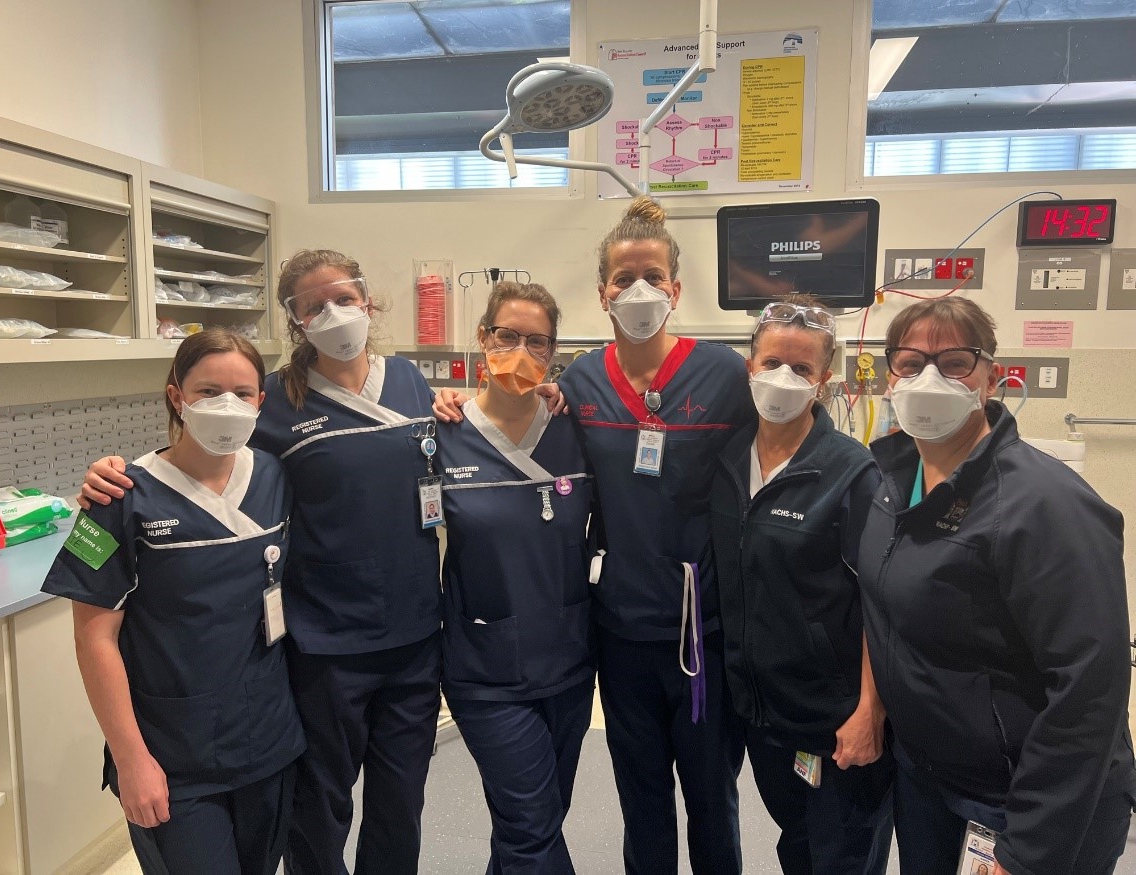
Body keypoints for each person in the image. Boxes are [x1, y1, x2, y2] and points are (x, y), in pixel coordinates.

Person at [79, 250, 443, 875]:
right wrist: (107, 477)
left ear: (368, 299)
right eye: (313, 306)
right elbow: (197, 459)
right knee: (321, 811)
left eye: (343, 298)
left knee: (400, 805)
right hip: (323, 644)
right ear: (295, 321)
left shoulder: (410, 381)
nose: (333, 314)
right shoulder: (271, 402)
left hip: (414, 637)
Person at [440, 196, 753, 873]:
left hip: (704, 634)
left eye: (651, 277)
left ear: (675, 288)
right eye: (622, 278)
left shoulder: (726, 376)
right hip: (617, 632)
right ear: (602, 291)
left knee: (710, 798)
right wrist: (459, 400)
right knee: (640, 797)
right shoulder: (580, 381)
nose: (637, 290)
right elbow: (518, 415)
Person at [856, 296, 1136, 875]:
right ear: (889, 376)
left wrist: (1029, 849)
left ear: (991, 376)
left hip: (1026, 804)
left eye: (954, 361)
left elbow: (1089, 691)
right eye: (911, 363)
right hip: (934, 780)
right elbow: (886, 614)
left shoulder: (1046, 505)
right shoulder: (890, 482)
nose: (929, 377)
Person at [43, 329, 305, 874]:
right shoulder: (117, 497)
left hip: (267, 743)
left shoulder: (275, 475)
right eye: (208, 392)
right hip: (172, 758)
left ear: (261, 401)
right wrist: (130, 759)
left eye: (241, 392)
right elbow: (94, 638)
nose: (225, 405)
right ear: (176, 396)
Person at [708, 296, 894, 874]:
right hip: (766, 716)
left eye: (802, 369)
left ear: (824, 380)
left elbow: (882, 605)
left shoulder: (851, 472)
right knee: (798, 847)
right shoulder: (726, 461)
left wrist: (869, 711)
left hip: (836, 719)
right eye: (770, 363)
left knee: (841, 857)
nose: (782, 379)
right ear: (749, 367)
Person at [438, 280, 595, 874]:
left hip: (570, 661)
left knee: (535, 820)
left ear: (554, 353)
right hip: (485, 671)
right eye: (508, 336)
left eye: (538, 341)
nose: (521, 351)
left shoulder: (576, 433)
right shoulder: (440, 437)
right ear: (483, 339)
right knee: (531, 826)